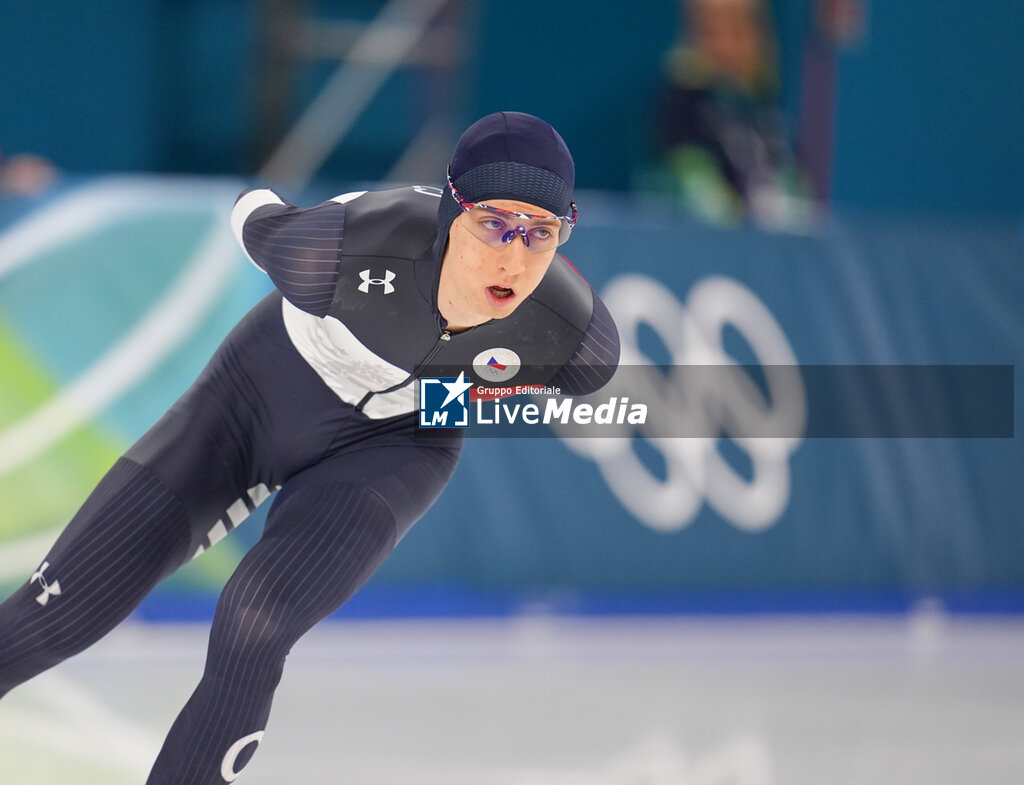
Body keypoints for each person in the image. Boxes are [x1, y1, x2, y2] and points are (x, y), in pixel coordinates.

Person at [0, 111, 620, 783]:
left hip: (394, 445)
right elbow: (251, 207)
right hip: (256, 396)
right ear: (449, 211)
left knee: (256, 621)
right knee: (52, 615)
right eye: (495, 223)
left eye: (541, 233)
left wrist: (457, 394)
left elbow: (537, 375)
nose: (515, 256)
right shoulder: (341, 250)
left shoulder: (576, 339)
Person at [652, 0, 815, 229]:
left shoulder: (766, 107)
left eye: (736, 33)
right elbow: (690, 175)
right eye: (710, 33)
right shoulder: (681, 99)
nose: (724, 46)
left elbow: (794, 183)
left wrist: (789, 211)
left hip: (771, 240)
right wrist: (727, 209)